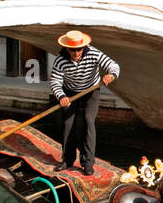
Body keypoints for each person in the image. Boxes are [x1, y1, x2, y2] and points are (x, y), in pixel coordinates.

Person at [49, 30, 119, 176]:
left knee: (88, 121)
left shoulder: (93, 53)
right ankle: (67, 160)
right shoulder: (60, 60)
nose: (76, 53)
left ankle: (88, 163)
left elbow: (113, 65)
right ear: (67, 48)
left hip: (91, 91)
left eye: (79, 49)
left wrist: (110, 75)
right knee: (68, 124)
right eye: (72, 50)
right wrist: (61, 96)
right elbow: (55, 81)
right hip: (69, 93)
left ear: (83, 47)